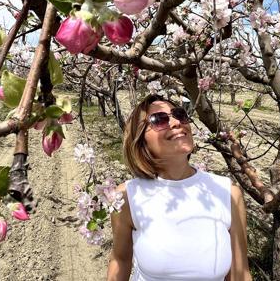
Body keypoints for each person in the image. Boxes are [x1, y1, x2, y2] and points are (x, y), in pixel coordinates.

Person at [107, 94, 252, 281]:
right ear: (141, 140)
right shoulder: (126, 197)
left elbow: (240, 274)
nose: (176, 122)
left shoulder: (228, 193)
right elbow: (120, 260)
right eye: (159, 120)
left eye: (180, 114)